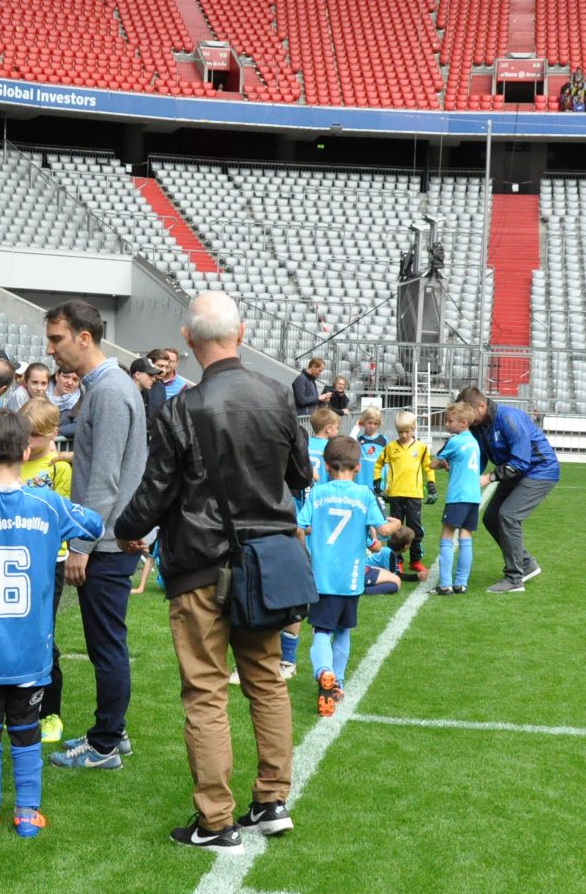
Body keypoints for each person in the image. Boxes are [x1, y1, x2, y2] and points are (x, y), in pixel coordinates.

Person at [115, 291, 312, 851]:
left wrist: (128, 528)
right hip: (265, 561)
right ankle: (271, 800)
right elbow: (300, 475)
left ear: (187, 339)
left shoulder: (183, 408)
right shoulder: (276, 395)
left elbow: (156, 490)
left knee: (206, 691)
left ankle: (216, 819)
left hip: (201, 566)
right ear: (241, 333)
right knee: (266, 680)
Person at [0, 409, 102, 838]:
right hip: (30, 649)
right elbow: (94, 524)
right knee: (27, 730)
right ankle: (27, 812)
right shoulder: (48, 504)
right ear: (27, 451)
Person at [42, 299, 146, 771]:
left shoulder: (109, 390)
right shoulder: (106, 387)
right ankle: (112, 731)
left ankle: (105, 744)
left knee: (105, 645)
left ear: (84, 338)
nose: (51, 349)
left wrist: (82, 545)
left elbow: (105, 480)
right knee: (106, 642)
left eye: (57, 339)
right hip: (108, 538)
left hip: (104, 542)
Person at [299, 436, 401, 717]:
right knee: (343, 631)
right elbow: (382, 531)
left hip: (322, 576)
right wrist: (395, 524)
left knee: (321, 631)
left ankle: (324, 671)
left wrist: (305, 548)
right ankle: (338, 683)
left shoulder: (318, 493)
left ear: (325, 465)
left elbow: (300, 525)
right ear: (357, 467)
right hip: (352, 577)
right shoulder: (364, 494)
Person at [462, 391, 561, 594]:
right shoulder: (478, 425)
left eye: (468, 413)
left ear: (482, 406)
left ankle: (515, 579)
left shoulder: (509, 418)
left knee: (509, 515)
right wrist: (465, 471)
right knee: (491, 518)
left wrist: (490, 478)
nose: (467, 419)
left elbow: (521, 461)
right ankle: (525, 564)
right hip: (514, 472)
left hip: (539, 470)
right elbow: (481, 456)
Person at [19, 396, 73, 745]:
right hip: (19, 559)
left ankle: (51, 712)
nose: (28, 442)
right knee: (20, 634)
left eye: (34, 436)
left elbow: (62, 516)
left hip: (50, 561)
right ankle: (22, 706)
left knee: (44, 634)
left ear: (52, 433)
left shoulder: (58, 469)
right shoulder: (13, 463)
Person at [429, 400, 487, 598]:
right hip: (473, 496)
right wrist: (451, 465)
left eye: (450, 421)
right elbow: (463, 464)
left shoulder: (454, 441)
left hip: (457, 496)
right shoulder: (474, 442)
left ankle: (445, 584)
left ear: (463, 423)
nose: (446, 424)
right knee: (466, 536)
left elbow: (433, 464)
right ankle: (461, 583)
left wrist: (442, 463)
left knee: (447, 535)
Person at [375, 411, 431, 581]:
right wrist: (377, 481)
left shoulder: (421, 447)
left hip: (414, 494)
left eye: (407, 431)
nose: (404, 435)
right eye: (400, 432)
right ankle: (396, 560)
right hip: (395, 494)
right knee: (395, 530)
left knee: (415, 528)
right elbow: (378, 464)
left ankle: (415, 560)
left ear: (414, 429)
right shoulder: (390, 447)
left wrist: (431, 484)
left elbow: (428, 467)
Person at [352, 407, 389, 494]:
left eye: (375, 423)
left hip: (377, 482)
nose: (372, 426)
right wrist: (356, 428)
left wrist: (388, 482)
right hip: (361, 482)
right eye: (369, 423)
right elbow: (348, 443)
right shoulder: (358, 440)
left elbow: (387, 463)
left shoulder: (384, 440)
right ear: (363, 422)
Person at [128, 356, 168, 437]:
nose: (153, 379)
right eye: (150, 375)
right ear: (138, 374)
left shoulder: (145, 392)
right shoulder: (125, 395)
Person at [306, 407, 341, 484]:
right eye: (337, 427)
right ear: (328, 429)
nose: (338, 431)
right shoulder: (332, 446)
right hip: (323, 489)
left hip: (305, 489)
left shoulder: (305, 442)